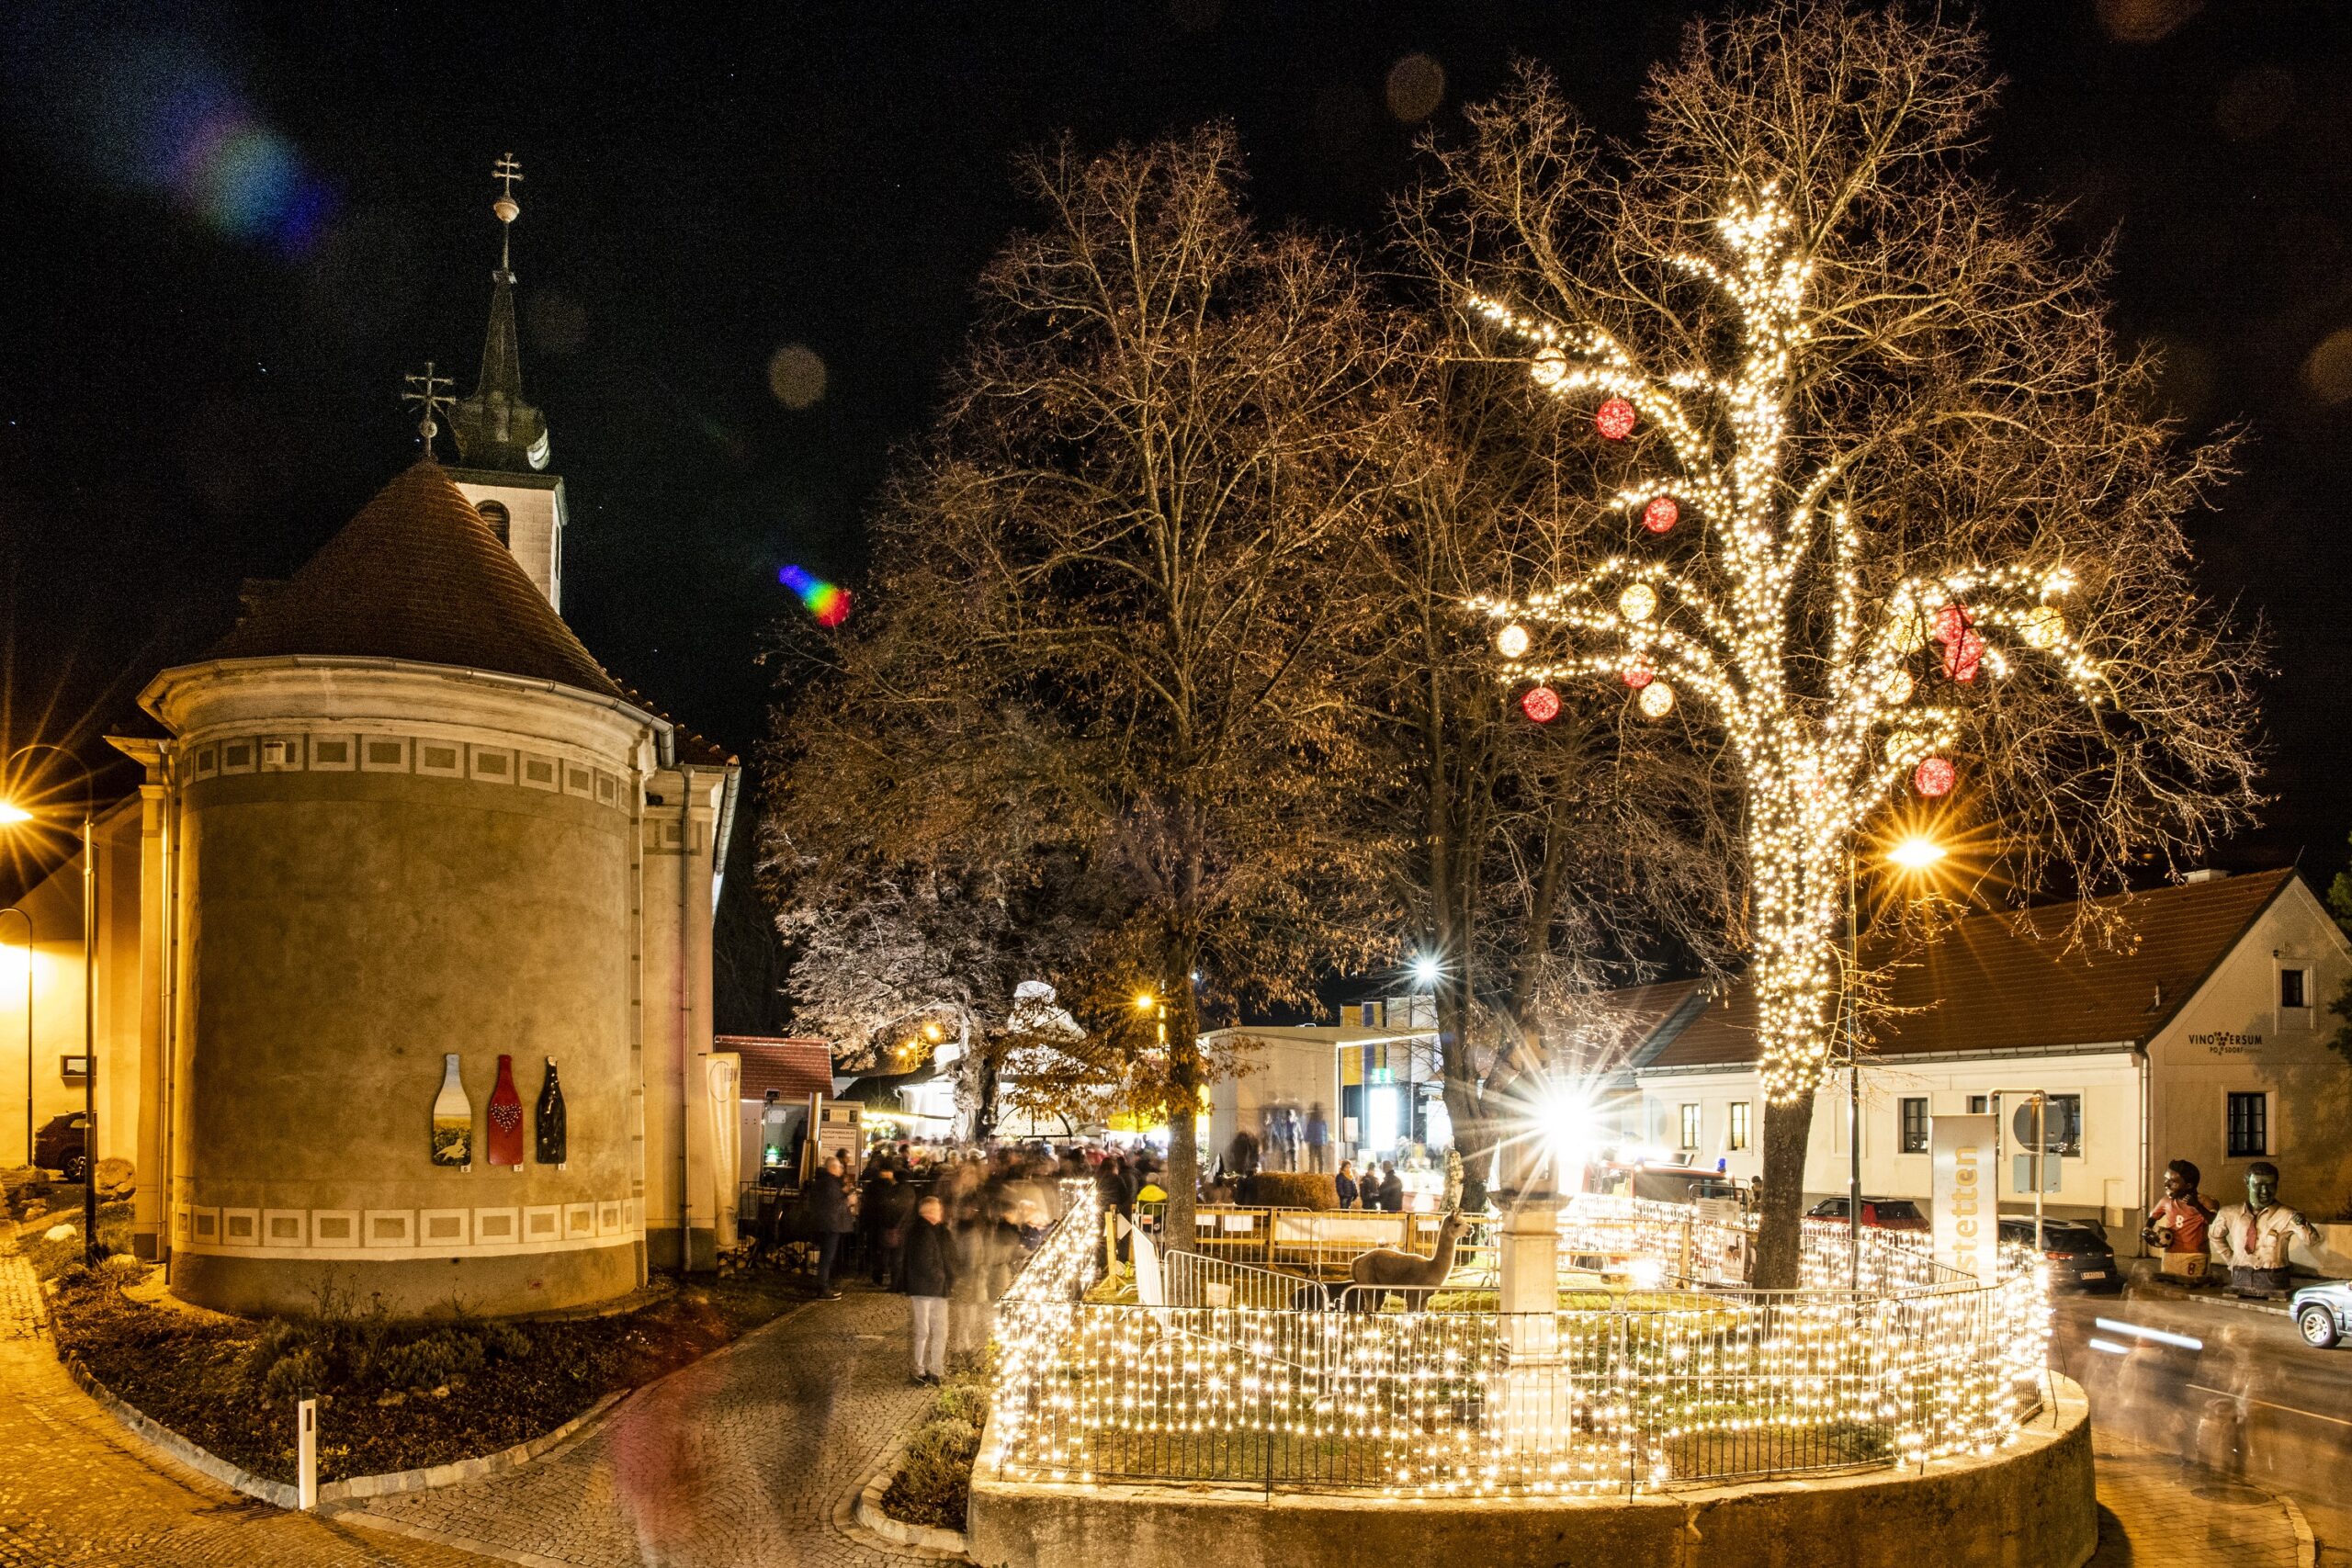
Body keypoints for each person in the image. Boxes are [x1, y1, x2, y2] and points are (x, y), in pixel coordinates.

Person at [2210, 1160, 2320, 1297]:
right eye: (2258, 1185)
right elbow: (2215, 1236)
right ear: (2247, 1183)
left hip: (2274, 1279)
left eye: (2270, 1185)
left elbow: (2311, 1241)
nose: (2264, 1191)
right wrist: (2230, 1259)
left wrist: (2303, 1224)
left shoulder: (2287, 1215)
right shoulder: (2229, 1214)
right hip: (2240, 1276)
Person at [900, 1193, 956, 1385]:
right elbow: (924, 1263)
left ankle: (935, 1368)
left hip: (938, 1289)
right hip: (925, 1289)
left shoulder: (937, 1231)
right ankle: (919, 1369)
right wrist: (942, 1277)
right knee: (923, 1330)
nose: (940, 1212)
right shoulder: (920, 1232)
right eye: (938, 1209)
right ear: (929, 1212)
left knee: (940, 1330)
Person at [2142, 1159, 2215, 1281]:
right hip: (2170, 1254)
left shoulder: (2205, 1201)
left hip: (2195, 1255)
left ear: (2188, 1185)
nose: (2166, 1184)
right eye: (2166, 1179)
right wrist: (2147, 1230)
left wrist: (2197, 1205)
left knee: (2191, 1287)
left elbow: (2211, 1219)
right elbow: (2152, 1218)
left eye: (2173, 1182)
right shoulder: (2166, 1201)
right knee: (2169, 1286)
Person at [807, 1152, 856, 1298]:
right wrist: (849, 1201)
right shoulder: (830, 1183)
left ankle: (823, 1284)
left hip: (825, 1224)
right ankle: (823, 1289)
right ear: (833, 1168)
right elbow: (834, 1206)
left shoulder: (823, 1182)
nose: (841, 1169)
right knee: (827, 1258)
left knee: (826, 1257)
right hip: (831, 1225)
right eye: (840, 1167)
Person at [1305, 1102, 1329, 1173]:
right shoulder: (1323, 1119)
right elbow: (1325, 1131)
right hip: (1320, 1141)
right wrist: (1325, 1140)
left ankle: (1312, 1172)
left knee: (1312, 1158)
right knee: (1320, 1159)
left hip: (1313, 1141)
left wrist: (1306, 1139)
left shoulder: (1311, 1118)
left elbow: (1309, 1130)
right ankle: (1320, 1172)